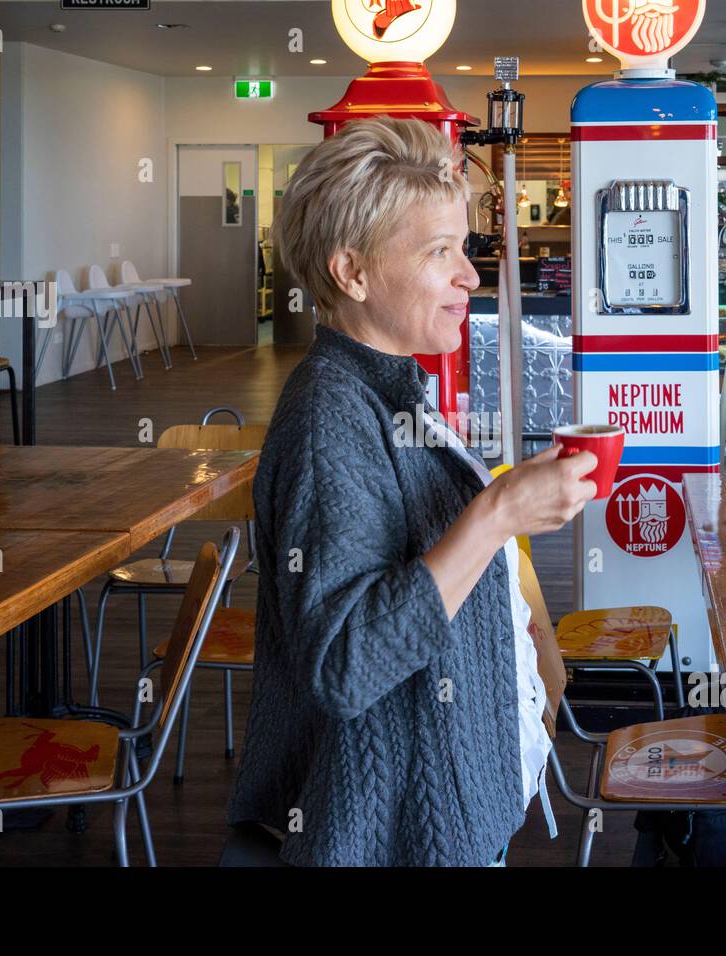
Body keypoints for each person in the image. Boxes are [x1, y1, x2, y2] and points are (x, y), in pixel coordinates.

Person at [229, 116, 598, 866]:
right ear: (352, 273)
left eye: (466, 247)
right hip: (382, 838)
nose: (469, 275)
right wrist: (497, 514)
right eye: (440, 252)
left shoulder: (389, 389)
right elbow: (345, 663)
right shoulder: (328, 416)